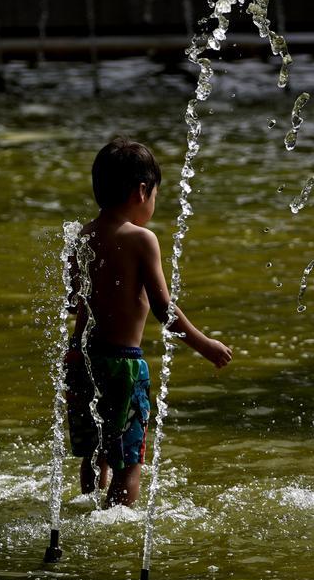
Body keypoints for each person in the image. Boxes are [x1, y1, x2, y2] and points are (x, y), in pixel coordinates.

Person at [65, 136, 232, 508]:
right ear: (142, 191)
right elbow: (164, 310)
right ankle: (115, 526)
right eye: (156, 194)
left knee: (95, 453)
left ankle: (88, 506)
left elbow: (72, 303)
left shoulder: (81, 236)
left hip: (81, 359)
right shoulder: (142, 239)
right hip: (122, 363)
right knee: (130, 462)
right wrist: (205, 345)